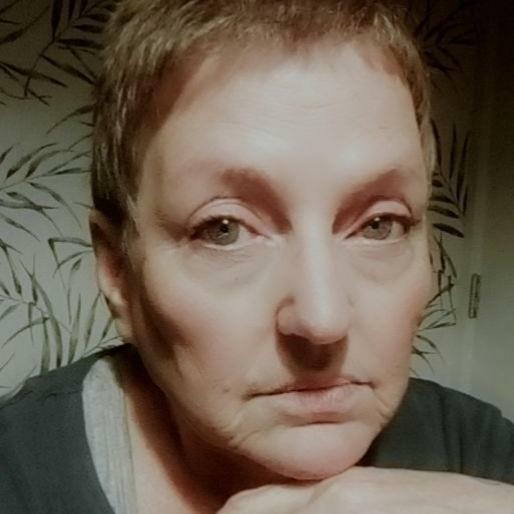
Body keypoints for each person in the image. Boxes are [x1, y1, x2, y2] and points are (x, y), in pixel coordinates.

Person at [1, 0, 514, 512]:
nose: (322, 320)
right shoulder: (18, 477)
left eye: (380, 225)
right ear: (118, 273)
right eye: (223, 230)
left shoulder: (479, 453)